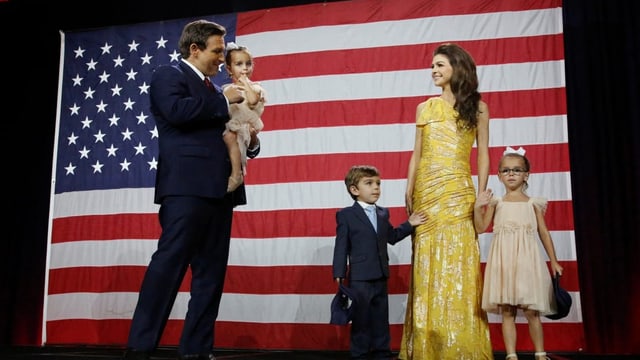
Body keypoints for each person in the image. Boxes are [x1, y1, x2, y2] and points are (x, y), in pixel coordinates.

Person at [123, 19, 260, 360]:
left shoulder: (215, 90)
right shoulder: (169, 75)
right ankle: (140, 346)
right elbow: (177, 112)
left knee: (211, 276)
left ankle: (197, 349)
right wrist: (224, 100)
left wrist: (252, 141)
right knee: (168, 267)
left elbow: (229, 130)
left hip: (221, 192)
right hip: (186, 190)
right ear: (195, 49)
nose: (221, 57)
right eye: (217, 50)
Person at [398, 43, 493, 359]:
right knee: (427, 265)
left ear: (457, 67)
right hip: (428, 193)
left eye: (440, 65)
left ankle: (462, 347)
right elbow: (417, 152)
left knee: (460, 265)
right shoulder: (424, 107)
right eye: (433, 66)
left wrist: (481, 191)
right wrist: (409, 187)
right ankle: (427, 348)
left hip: (458, 192)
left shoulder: (477, 107)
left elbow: (483, 153)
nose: (434, 71)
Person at [474, 147, 564, 360]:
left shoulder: (533, 203)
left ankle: (540, 354)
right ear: (499, 175)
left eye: (516, 170)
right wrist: (479, 208)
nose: (511, 174)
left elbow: (543, 232)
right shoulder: (497, 202)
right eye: (506, 170)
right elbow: (480, 228)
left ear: (526, 174)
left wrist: (554, 261)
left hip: (527, 261)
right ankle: (511, 355)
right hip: (504, 261)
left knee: (532, 310)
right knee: (507, 310)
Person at [332, 165, 426, 360]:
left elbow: (391, 236)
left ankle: (382, 353)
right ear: (354, 190)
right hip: (359, 278)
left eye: (378, 183)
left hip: (381, 275)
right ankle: (360, 354)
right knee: (361, 319)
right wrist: (339, 273)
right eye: (369, 183)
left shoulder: (383, 213)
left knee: (380, 317)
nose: (376, 187)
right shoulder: (346, 215)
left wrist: (409, 224)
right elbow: (341, 246)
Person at [222, 42, 266, 192]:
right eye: (239, 64)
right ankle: (234, 172)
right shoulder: (225, 91)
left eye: (248, 64)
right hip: (231, 130)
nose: (245, 68)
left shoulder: (256, 88)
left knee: (230, 138)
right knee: (228, 138)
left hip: (245, 128)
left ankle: (237, 174)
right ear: (229, 69)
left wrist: (246, 83)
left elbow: (253, 101)